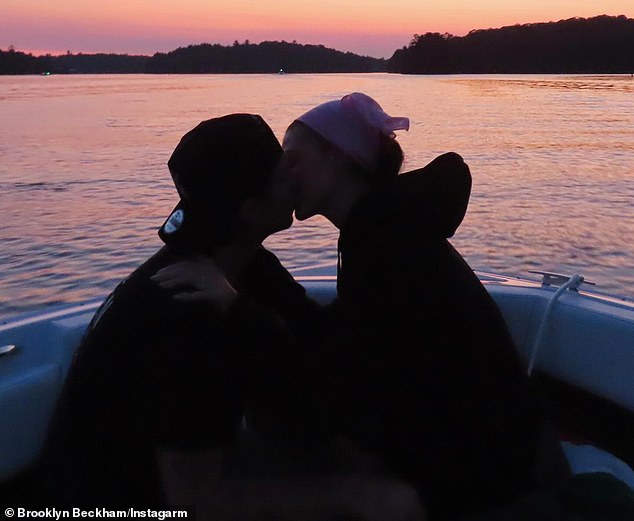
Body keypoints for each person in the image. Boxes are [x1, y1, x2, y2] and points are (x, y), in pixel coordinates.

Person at [39, 113, 425, 521]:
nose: (296, 178)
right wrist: (351, 496)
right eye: (283, 173)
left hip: (196, 470)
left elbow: (317, 337)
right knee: (389, 503)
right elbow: (196, 504)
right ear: (248, 209)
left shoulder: (248, 267)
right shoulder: (185, 315)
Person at [278, 92, 569, 520]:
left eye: (293, 158)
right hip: (505, 454)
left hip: (497, 477)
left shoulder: (386, 247)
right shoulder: (382, 231)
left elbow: (370, 369)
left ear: (337, 156)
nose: (283, 174)